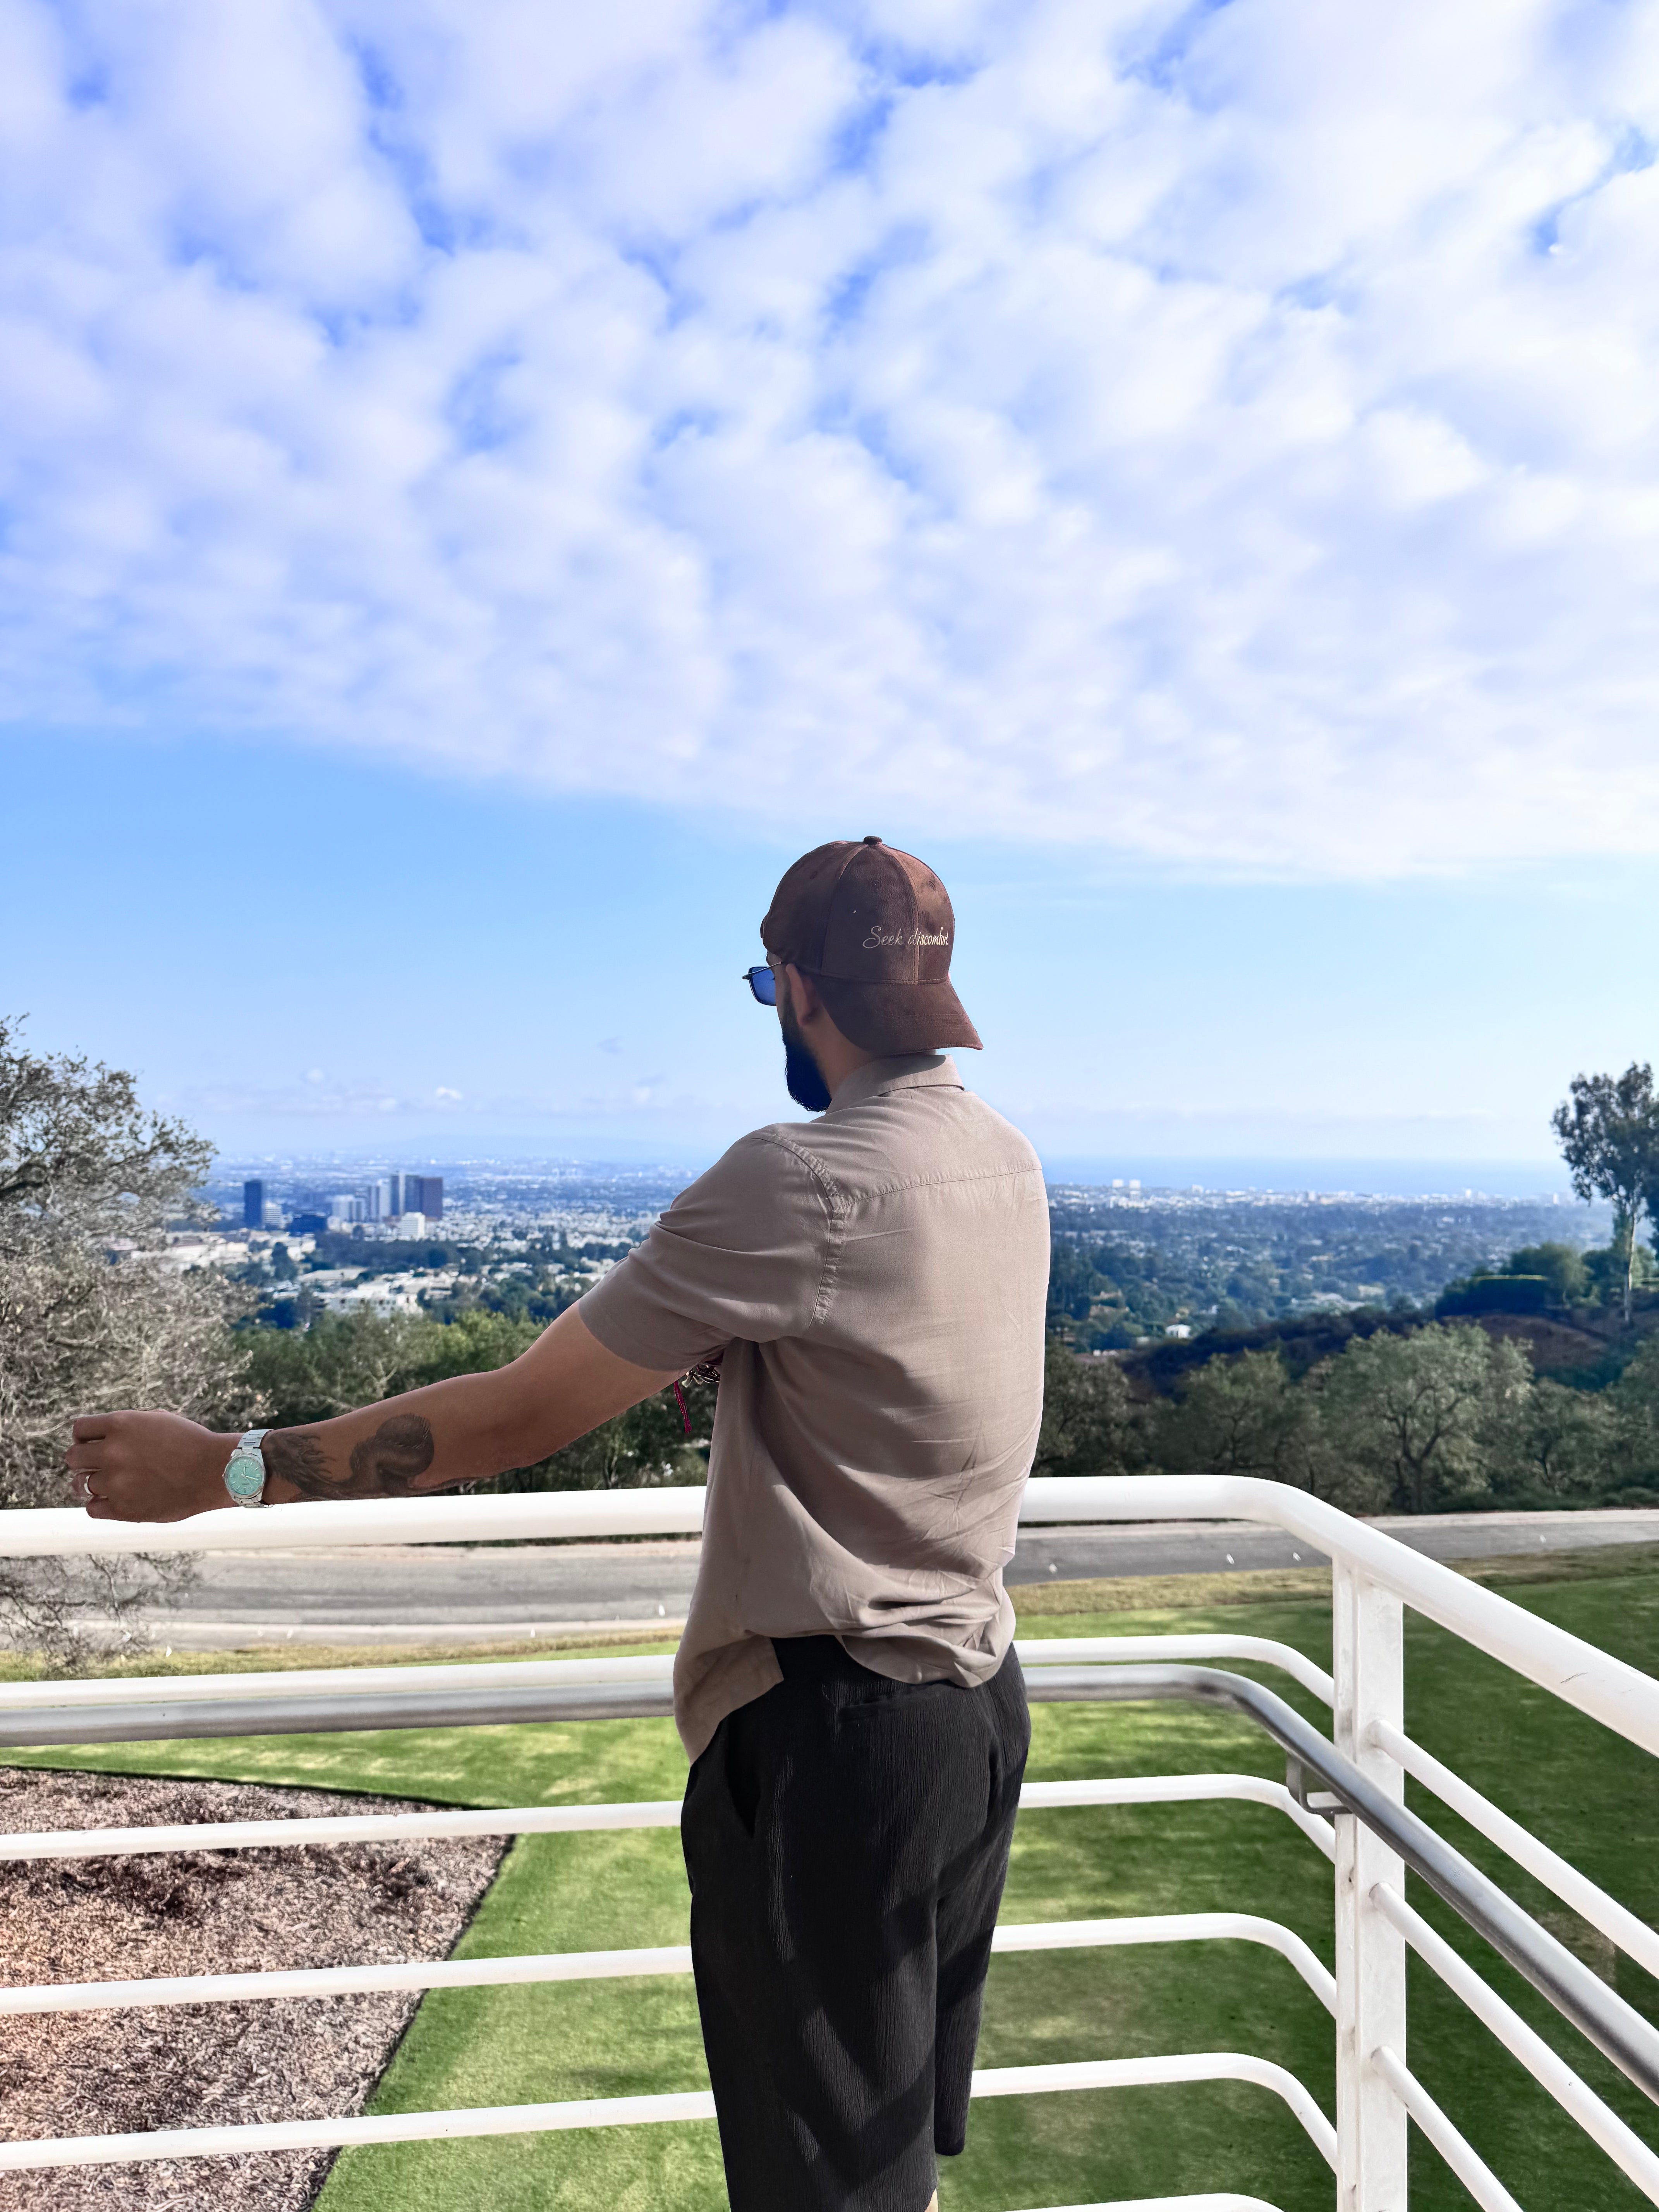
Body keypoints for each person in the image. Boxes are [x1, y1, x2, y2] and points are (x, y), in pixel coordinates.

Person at [67, 836, 1051, 2212]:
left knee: (822, 2190)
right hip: (970, 1707)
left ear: (794, 987)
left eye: (770, 994)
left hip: (836, 1740)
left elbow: (515, 1417)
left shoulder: (801, 1178)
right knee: (883, 2164)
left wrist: (218, 1470)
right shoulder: (995, 1157)